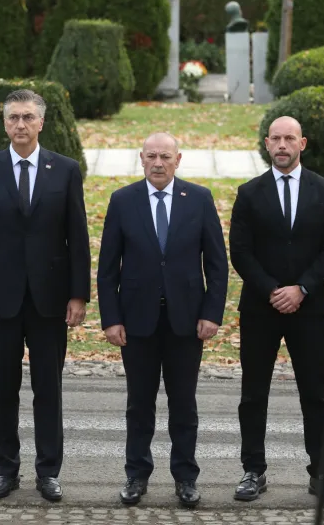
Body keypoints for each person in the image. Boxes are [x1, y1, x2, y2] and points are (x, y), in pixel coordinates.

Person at [0, 89, 91, 502]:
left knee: (48, 388)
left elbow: (78, 237)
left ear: (41, 123)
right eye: (13, 117)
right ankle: (6, 469)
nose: (20, 124)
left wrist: (78, 295)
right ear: (4, 123)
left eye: (27, 117)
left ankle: (48, 471)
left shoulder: (65, 170)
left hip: (51, 300)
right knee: (3, 388)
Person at [96, 132, 228, 508]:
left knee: (184, 404)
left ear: (178, 159)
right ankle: (136, 475)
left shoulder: (199, 199)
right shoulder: (123, 201)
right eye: (151, 156)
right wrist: (111, 319)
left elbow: (217, 265)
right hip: (137, 322)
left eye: (165, 156)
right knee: (139, 404)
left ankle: (186, 477)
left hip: (187, 321)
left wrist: (211, 313)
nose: (158, 163)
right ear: (141, 159)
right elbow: (108, 269)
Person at [228, 116, 324, 501]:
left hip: (309, 308)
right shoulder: (249, 193)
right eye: (275, 138)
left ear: (302, 144)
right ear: (266, 143)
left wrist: (303, 288)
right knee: (253, 394)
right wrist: (273, 290)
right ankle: (253, 470)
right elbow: (240, 251)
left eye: (289, 138)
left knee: (314, 393)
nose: (282, 144)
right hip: (261, 308)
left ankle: (321, 473)